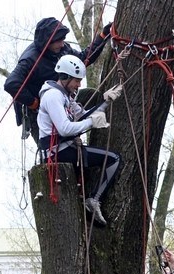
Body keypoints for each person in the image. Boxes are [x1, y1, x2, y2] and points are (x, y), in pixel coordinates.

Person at [37, 54, 122, 226]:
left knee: (112, 158)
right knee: (113, 159)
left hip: (62, 148)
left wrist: (105, 102)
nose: (79, 85)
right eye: (76, 80)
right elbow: (65, 128)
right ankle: (94, 199)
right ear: (65, 77)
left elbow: (83, 115)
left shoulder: (65, 96)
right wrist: (91, 122)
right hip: (57, 152)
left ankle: (91, 199)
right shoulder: (53, 96)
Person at [4, 17, 112, 138]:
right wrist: (34, 103)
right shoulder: (30, 59)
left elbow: (82, 59)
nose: (62, 44)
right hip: (40, 112)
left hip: (64, 101)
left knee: (93, 96)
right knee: (52, 147)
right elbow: (11, 83)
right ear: (47, 41)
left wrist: (102, 37)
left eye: (62, 40)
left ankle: (97, 138)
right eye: (58, 41)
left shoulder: (62, 49)